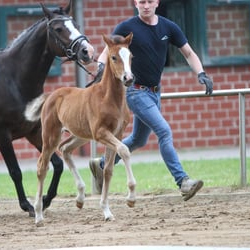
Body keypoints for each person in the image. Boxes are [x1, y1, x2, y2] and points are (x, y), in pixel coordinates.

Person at [89, 0, 213, 201]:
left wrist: (201, 73)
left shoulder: (169, 27)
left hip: (155, 92)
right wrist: (101, 68)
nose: (145, 6)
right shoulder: (126, 27)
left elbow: (188, 53)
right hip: (134, 92)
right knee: (164, 130)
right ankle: (183, 181)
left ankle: (101, 164)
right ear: (135, 4)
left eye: (149, 1)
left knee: (139, 139)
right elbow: (106, 52)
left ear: (157, 3)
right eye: (141, 2)